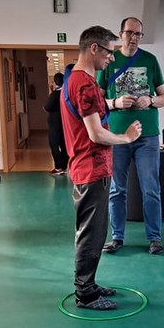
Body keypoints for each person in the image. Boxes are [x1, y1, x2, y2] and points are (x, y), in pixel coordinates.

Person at [60, 26, 142, 310]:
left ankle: (89, 283)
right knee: (92, 233)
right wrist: (126, 138)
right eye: (109, 51)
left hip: (84, 166)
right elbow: (96, 134)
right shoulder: (86, 84)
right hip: (92, 168)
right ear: (94, 48)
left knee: (92, 230)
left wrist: (111, 103)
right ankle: (85, 294)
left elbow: (89, 110)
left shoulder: (71, 77)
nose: (112, 57)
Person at [98, 16, 164, 255]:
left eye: (138, 34)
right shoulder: (110, 61)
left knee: (151, 188)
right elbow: (97, 100)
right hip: (117, 136)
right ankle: (117, 237)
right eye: (130, 33)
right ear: (121, 34)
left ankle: (155, 238)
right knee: (117, 189)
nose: (134, 38)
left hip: (147, 136)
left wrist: (150, 100)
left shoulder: (150, 60)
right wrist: (115, 102)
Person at [43, 72, 68, 176]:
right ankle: (64, 166)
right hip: (65, 122)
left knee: (54, 144)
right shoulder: (66, 93)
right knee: (64, 144)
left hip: (55, 123)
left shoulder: (55, 94)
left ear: (55, 82)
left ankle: (58, 167)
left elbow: (47, 107)